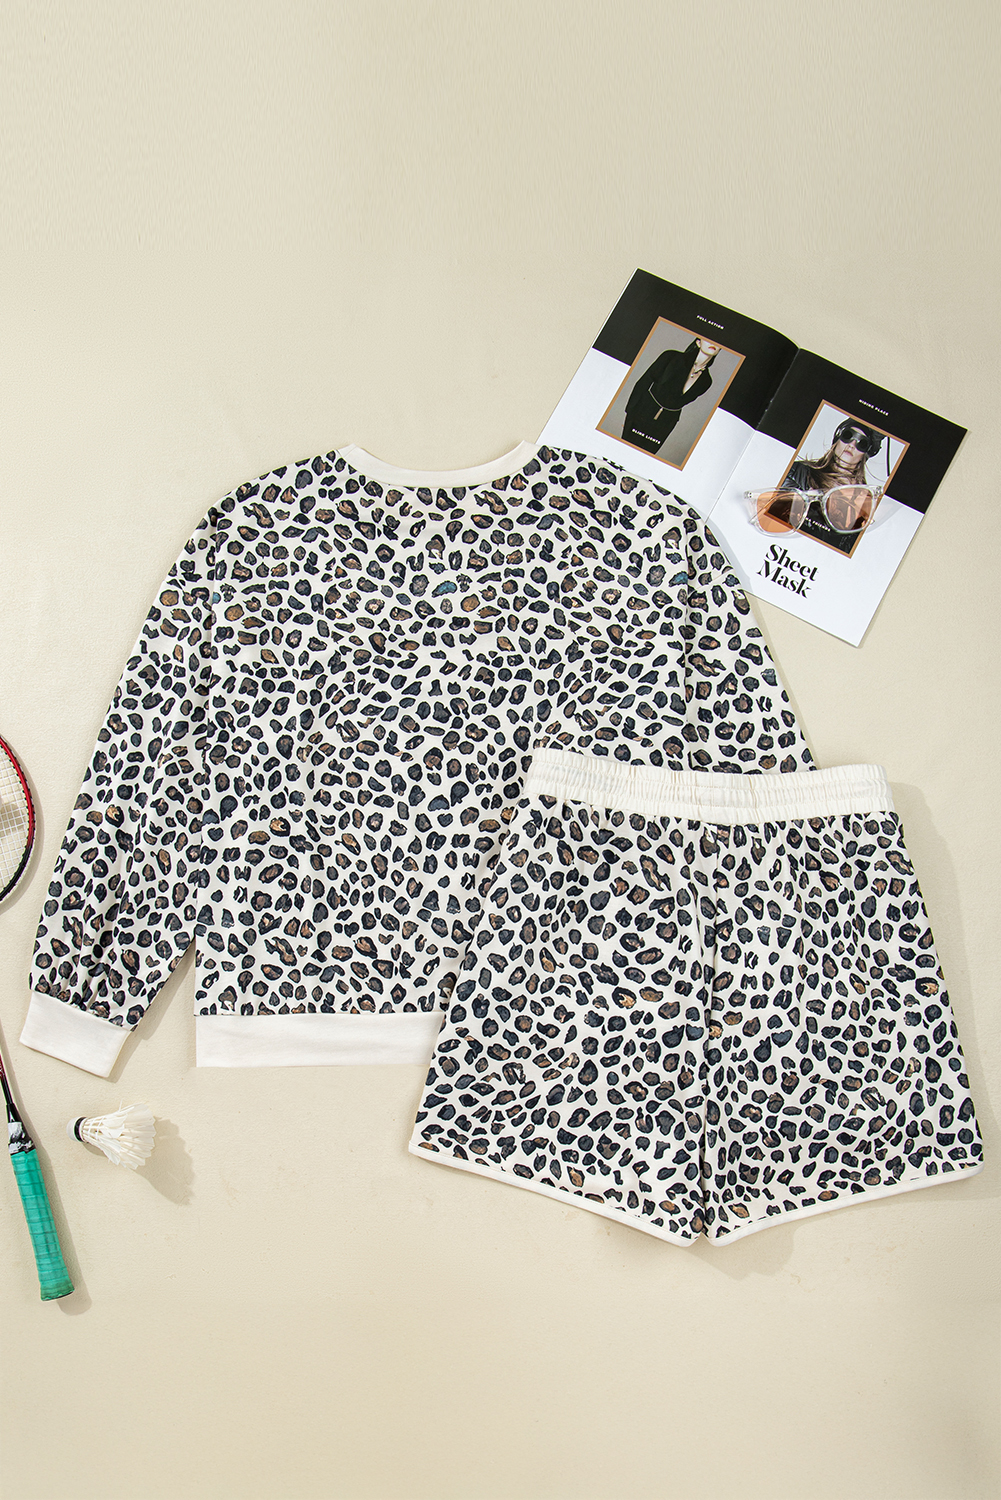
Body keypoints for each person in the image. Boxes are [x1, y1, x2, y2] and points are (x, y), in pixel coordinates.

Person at [621, 337, 721, 453]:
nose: (713, 343)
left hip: (666, 421)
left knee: (645, 454)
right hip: (642, 410)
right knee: (624, 449)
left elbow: (681, 402)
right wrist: (630, 412)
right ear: (698, 342)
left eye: (718, 343)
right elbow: (643, 382)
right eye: (708, 339)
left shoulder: (706, 381)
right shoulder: (671, 356)